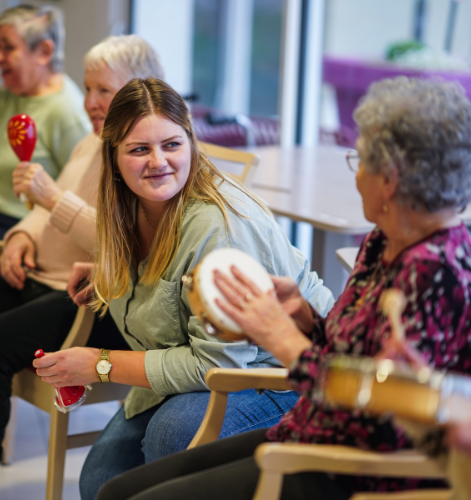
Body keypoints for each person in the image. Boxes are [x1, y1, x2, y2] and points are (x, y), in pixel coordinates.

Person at [94, 77, 471, 500]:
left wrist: (283, 338)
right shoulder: (384, 240)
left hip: (349, 464)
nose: (357, 174)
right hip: (312, 428)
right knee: (114, 490)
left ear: (392, 178)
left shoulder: (435, 271)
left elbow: (375, 416)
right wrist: (307, 320)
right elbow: (352, 354)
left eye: (360, 160)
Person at [32, 77, 335, 500]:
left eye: (172, 145)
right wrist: (113, 271)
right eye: (139, 149)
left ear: (191, 142)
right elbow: (168, 290)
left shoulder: (218, 226)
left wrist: (100, 364)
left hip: (276, 377)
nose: (158, 161)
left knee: (172, 435)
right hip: (200, 370)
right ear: (114, 157)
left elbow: (219, 363)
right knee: (99, 482)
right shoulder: (130, 208)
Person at [0, 34, 164, 500]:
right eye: (87, 88)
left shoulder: (141, 157)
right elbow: (46, 206)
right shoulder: (91, 142)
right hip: (41, 280)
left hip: (88, 298)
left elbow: (122, 245)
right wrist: (21, 235)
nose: (90, 101)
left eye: (103, 89)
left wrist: (51, 199)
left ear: (139, 89)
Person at [0, 4, 92, 285]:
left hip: (21, 233)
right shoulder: (11, 97)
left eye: (8, 47)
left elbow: (80, 195)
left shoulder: (67, 112)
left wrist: (28, 233)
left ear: (44, 52)